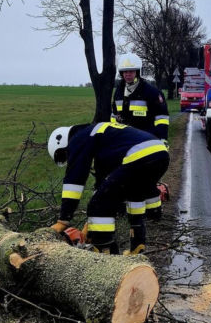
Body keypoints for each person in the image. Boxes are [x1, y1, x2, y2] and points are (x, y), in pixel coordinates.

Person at [48, 120, 169, 255]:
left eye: (65, 155)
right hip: (160, 153)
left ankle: (106, 254)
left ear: (63, 143)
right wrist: (89, 226)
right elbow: (103, 186)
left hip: (140, 155)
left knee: (99, 205)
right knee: (134, 195)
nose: (68, 157)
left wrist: (63, 220)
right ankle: (137, 246)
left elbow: (74, 179)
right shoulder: (101, 138)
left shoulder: (78, 138)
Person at [111, 52, 170, 220]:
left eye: (131, 71)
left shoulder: (151, 92)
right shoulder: (119, 92)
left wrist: (162, 140)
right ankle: (125, 208)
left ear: (137, 72)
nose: (128, 75)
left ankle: (153, 213)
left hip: (147, 143)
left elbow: (162, 118)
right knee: (125, 176)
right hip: (125, 143)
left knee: (146, 179)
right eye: (125, 72)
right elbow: (114, 116)